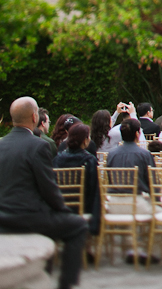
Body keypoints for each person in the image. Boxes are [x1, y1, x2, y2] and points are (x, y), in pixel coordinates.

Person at [0, 97, 88, 289]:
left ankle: (46, 273)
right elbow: (49, 187)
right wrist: (63, 210)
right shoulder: (38, 146)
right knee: (78, 226)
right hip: (27, 217)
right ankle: (66, 284)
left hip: (2, 217)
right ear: (34, 117)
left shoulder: (0, 143)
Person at [53, 123, 101, 237]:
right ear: (85, 140)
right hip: (84, 207)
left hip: (60, 205)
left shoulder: (57, 159)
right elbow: (94, 189)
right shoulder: (89, 160)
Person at [106, 118, 155, 195]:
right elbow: (152, 181)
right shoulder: (145, 154)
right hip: (138, 200)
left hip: (114, 201)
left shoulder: (111, 154)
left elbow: (108, 179)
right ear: (137, 134)